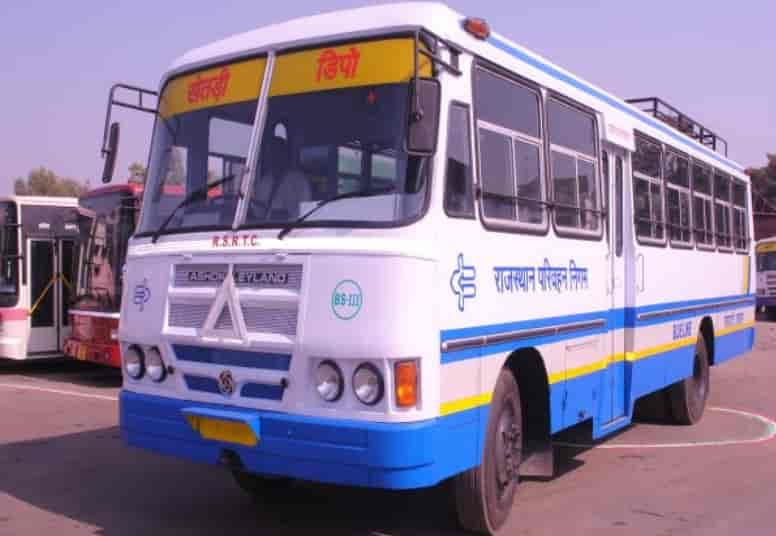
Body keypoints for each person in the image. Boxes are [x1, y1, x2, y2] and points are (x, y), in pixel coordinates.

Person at [252, 135, 311, 220]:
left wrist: (286, 216)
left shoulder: (300, 182)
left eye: (278, 153)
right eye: (272, 154)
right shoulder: (265, 181)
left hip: (292, 229)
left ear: (285, 156)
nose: (274, 157)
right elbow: (258, 212)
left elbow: (306, 212)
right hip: (266, 229)